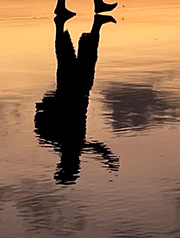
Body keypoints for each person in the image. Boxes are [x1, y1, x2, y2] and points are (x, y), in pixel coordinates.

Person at [35, 15, 119, 184]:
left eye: (75, 165)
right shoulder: (62, 143)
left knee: (69, 56)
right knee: (82, 56)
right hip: (78, 91)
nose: (78, 163)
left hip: (72, 91)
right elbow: (95, 148)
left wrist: (107, 157)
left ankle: (66, 26)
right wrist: (107, 158)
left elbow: (94, 148)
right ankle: (91, 26)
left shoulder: (58, 142)